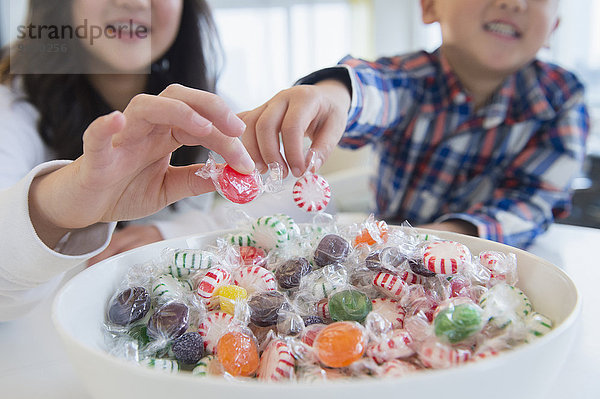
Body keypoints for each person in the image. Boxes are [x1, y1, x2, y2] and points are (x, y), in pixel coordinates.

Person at [240, 0, 589, 249]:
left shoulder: (562, 98)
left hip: (499, 263)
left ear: (553, 29)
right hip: (386, 258)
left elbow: (531, 203)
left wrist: (437, 237)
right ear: (429, 6)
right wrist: (333, 96)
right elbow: (380, 87)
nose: (513, 3)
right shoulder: (413, 77)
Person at [0, 0, 255, 321]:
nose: (133, 2)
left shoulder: (208, 109)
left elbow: (292, 205)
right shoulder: (10, 109)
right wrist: (53, 209)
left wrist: (174, 231)